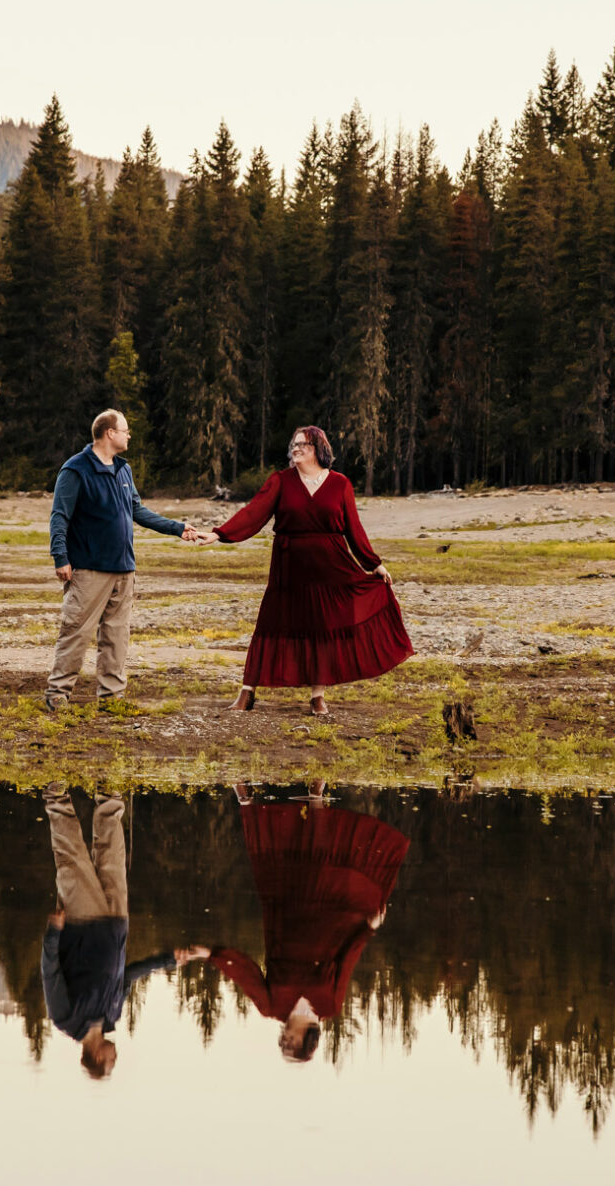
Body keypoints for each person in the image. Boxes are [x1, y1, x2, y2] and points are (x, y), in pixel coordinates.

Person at [204, 424, 411, 716]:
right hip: (288, 567)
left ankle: (317, 696)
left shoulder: (340, 484)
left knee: (322, 629)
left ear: (318, 449)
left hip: (330, 566)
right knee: (269, 625)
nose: (296, 448)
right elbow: (253, 512)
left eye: (302, 444)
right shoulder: (281, 481)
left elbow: (354, 529)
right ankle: (247, 692)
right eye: (294, 444)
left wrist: (373, 564)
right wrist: (220, 534)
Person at [206, 783, 408, 1063]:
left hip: (288, 916)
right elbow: (347, 961)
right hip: (328, 922)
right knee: (322, 860)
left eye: (283, 1044)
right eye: (291, 1045)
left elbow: (245, 974)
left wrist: (212, 955)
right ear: (307, 1041)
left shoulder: (272, 1008)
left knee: (276, 861)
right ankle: (316, 797)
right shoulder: (330, 1005)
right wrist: (367, 929)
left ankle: (247, 800)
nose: (284, 1040)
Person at [39, 783, 207, 1078]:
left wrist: (54, 933)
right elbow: (128, 976)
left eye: (110, 1062)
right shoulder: (111, 1016)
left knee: (70, 856)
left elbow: (50, 971)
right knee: (112, 850)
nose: (115, 1058)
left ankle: (55, 792)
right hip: (116, 922)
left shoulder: (65, 1019)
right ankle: (109, 791)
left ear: (95, 1055)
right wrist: (169, 959)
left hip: (81, 922)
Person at [46, 408, 203, 711]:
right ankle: (57, 694)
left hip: (123, 568)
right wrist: (60, 557)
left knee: (117, 637)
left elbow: (138, 511)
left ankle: (111, 698)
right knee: (76, 631)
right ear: (110, 433)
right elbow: (59, 516)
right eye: (126, 430)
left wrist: (177, 528)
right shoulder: (75, 470)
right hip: (89, 568)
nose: (129, 435)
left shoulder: (123, 469)